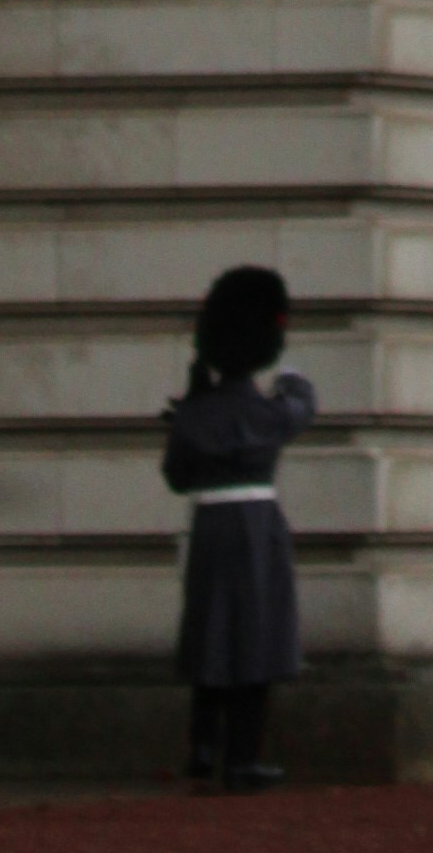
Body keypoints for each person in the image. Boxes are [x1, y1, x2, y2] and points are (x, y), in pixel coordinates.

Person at [164, 264, 316, 791]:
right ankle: (242, 759)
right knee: (257, 639)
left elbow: (177, 478)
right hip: (257, 528)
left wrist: (194, 399)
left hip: (209, 527)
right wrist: (290, 374)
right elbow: (303, 404)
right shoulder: (269, 413)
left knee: (210, 636)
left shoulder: (193, 416)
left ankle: (203, 747)